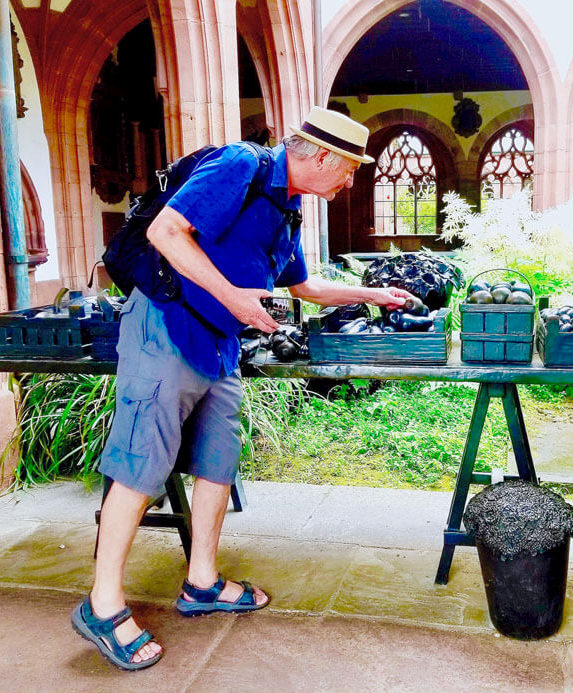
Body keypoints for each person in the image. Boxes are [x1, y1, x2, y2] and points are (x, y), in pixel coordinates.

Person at [72, 107, 413, 670]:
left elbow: (302, 286)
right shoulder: (240, 166)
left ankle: (201, 582)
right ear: (322, 156)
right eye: (350, 168)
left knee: (218, 460)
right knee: (139, 465)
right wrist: (233, 297)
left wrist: (372, 295)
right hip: (166, 327)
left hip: (220, 344)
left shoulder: (288, 207)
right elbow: (164, 232)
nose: (351, 180)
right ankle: (102, 605)